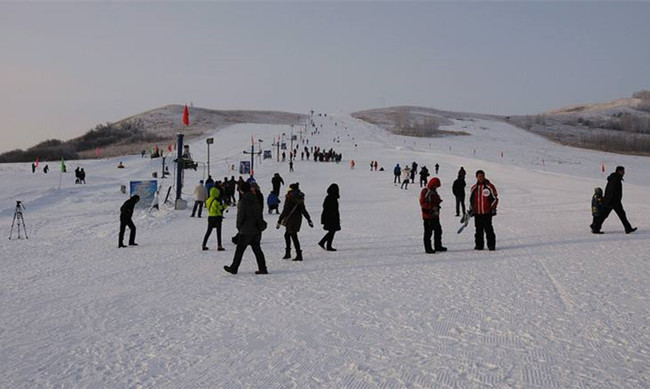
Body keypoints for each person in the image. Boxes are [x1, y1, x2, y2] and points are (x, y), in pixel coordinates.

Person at [223, 182, 268, 275]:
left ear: (242, 190)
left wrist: (238, 226)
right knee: (257, 249)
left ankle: (234, 268)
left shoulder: (243, 200)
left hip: (246, 229)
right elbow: (259, 212)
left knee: (239, 250)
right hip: (256, 228)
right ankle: (263, 268)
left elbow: (240, 216)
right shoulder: (255, 198)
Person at [591, 166, 636, 234]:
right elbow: (612, 191)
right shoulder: (615, 179)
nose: (624, 173)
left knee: (604, 215)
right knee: (621, 215)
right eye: (623, 171)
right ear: (619, 171)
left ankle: (595, 227)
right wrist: (613, 199)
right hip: (613, 201)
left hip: (610, 200)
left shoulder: (614, 178)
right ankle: (628, 228)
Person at [277, 183, 313, 261]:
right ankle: (288, 253)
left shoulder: (289, 196)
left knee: (293, 236)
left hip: (290, 219)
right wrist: (309, 219)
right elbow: (303, 209)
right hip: (297, 219)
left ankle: (298, 255)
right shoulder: (300, 197)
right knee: (287, 235)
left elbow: (286, 209)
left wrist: (280, 220)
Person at [469, 170, 498, 251]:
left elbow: (495, 198)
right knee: (478, 230)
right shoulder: (474, 188)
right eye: (479, 176)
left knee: (489, 229)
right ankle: (479, 245)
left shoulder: (489, 186)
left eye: (482, 176)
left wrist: (493, 208)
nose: (481, 178)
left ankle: (491, 245)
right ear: (476, 177)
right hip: (477, 213)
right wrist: (471, 209)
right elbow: (471, 200)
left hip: (487, 212)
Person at [420, 177, 446, 253]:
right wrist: (432, 207)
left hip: (435, 215)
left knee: (438, 231)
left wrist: (438, 202)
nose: (436, 187)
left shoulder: (434, 192)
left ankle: (438, 246)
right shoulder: (425, 191)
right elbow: (422, 203)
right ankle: (428, 248)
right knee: (428, 232)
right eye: (435, 185)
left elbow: (434, 201)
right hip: (428, 216)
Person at [202, 186, 228, 251]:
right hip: (217, 217)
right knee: (218, 232)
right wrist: (225, 205)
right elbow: (220, 209)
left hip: (210, 216)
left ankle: (204, 244)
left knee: (208, 232)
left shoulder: (208, 200)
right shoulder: (217, 200)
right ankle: (219, 246)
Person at [318, 183, 340, 251]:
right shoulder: (331, 197)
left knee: (332, 231)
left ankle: (325, 243)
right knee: (332, 231)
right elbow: (329, 208)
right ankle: (326, 244)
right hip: (331, 218)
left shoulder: (330, 197)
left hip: (329, 217)